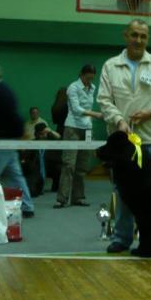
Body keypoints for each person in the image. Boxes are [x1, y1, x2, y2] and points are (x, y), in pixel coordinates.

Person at [97, 19, 151, 254]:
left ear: (148, 39)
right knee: (123, 193)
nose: (138, 40)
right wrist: (119, 121)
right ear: (126, 36)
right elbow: (104, 100)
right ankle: (122, 238)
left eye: (143, 36)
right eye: (134, 35)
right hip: (122, 145)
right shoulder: (110, 66)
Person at [0, 62, 35, 218]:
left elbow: (13, 115)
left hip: (1, 142)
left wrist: (21, 133)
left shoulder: (0, 92)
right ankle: (27, 206)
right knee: (16, 176)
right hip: (6, 142)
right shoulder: (1, 90)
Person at [54, 64, 103, 208]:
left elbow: (87, 108)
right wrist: (95, 114)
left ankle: (78, 197)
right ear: (81, 74)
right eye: (88, 78)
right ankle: (61, 199)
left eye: (92, 78)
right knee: (69, 164)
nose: (90, 81)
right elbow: (76, 109)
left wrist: (91, 122)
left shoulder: (92, 88)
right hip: (72, 128)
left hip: (87, 129)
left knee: (82, 166)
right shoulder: (72, 88)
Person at [21, 121, 61, 197]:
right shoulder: (33, 144)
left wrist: (50, 131)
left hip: (49, 167)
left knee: (60, 168)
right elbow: (25, 157)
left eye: (45, 133)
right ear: (37, 134)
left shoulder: (51, 141)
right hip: (37, 170)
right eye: (41, 134)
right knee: (33, 192)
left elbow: (60, 138)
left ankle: (56, 186)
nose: (43, 136)